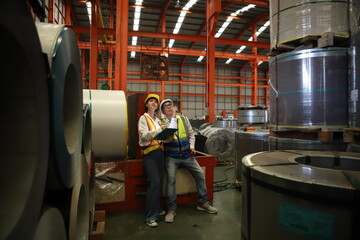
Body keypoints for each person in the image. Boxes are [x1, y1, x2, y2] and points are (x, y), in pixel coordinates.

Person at [160, 99, 218, 223]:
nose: (169, 108)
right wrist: (168, 134)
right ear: (163, 111)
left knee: (200, 175)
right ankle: (171, 209)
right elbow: (164, 141)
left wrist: (192, 147)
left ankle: (203, 203)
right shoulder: (162, 123)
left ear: (174, 107)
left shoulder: (183, 119)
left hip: (187, 155)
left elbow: (191, 134)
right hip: (172, 157)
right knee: (170, 180)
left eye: (170, 105)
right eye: (166, 107)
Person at [138, 94, 167, 227]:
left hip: (160, 154)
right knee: (154, 183)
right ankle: (150, 216)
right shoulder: (143, 118)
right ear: (146, 104)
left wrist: (169, 135)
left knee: (159, 183)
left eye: (156, 101)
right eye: (151, 101)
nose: (154, 103)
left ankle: (157, 208)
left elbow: (162, 138)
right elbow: (143, 136)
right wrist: (159, 131)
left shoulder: (159, 120)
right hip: (149, 155)